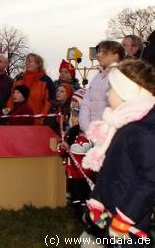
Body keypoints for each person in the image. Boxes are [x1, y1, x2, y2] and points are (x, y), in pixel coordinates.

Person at [81, 59, 155, 245]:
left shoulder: (145, 131)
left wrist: (125, 218)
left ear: (127, 93)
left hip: (130, 225)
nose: (108, 94)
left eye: (112, 89)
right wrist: (97, 202)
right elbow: (110, 171)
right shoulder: (120, 125)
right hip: (112, 213)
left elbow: (150, 180)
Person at [57, 88, 92, 222]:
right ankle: (76, 214)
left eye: (78, 114)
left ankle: (87, 215)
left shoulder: (88, 133)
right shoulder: (70, 132)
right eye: (73, 114)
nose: (74, 118)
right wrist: (63, 147)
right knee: (74, 196)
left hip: (85, 174)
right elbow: (62, 153)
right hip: (72, 173)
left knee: (85, 195)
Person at [79, 41, 125, 133]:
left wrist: (107, 131)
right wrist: (87, 127)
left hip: (111, 133)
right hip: (92, 133)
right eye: (98, 52)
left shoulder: (122, 77)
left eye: (103, 52)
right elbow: (86, 103)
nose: (98, 55)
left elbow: (120, 108)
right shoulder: (97, 77)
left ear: (115, 55)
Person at [6, 53, 55, 121]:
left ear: (38, 64)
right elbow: (11, 99)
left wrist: (41, 119)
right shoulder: (19, 80)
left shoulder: (46, 81)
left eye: (29, 61)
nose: (26, 63)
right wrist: (9, 114)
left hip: (37, 123)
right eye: (26, 61)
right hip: (17, 121)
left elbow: (48, 103)